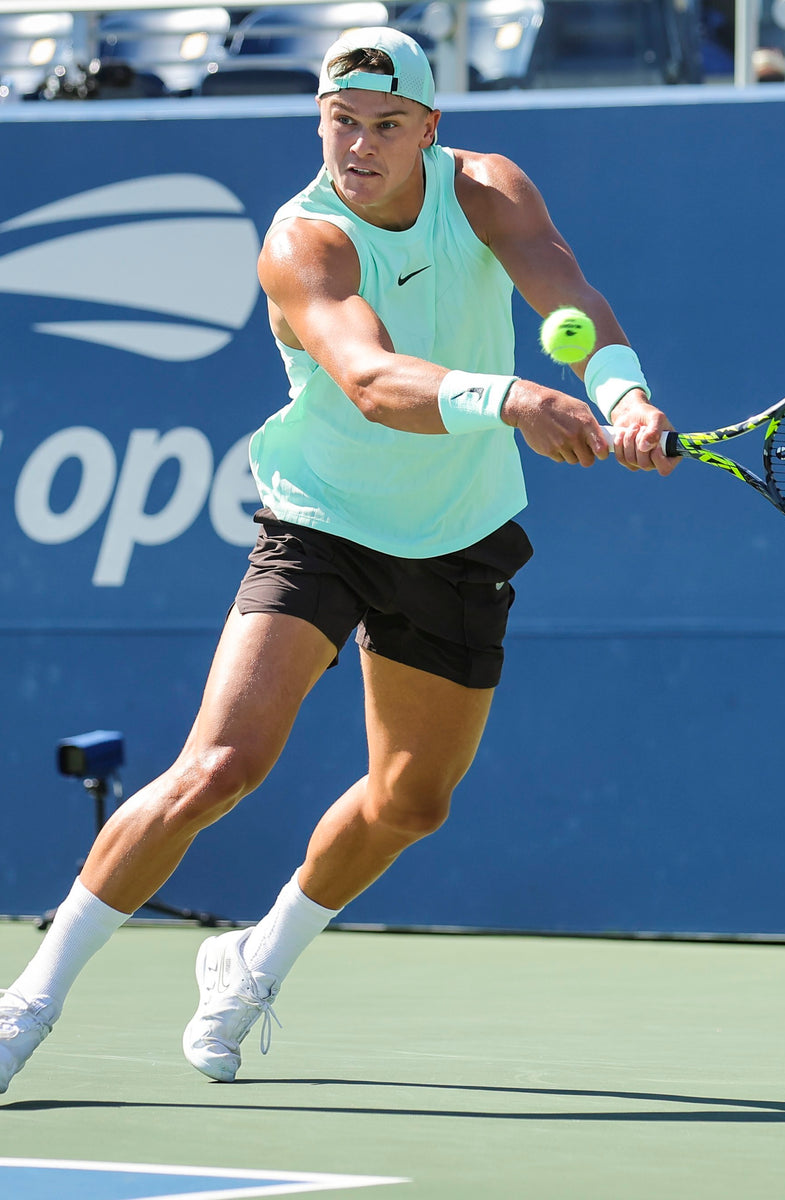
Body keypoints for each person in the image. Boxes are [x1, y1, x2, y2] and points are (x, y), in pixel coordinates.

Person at [0, 26, 677, 1093]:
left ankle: (251, 960)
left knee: (412, 803)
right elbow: (367, 379)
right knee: (220, 767)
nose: (357, 145)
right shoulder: (303, 241)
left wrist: (624, 394)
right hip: (319, 523)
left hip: (458, 537)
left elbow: (570, 302)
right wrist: (510, 399)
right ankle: (27, 1000)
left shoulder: (489, 190)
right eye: (340, 120)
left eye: (385, 126)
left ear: (429, 130)